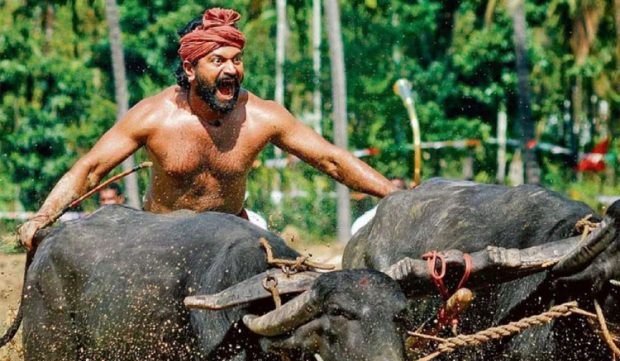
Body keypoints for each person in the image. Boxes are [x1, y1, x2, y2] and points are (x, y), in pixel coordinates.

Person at [18, 7, 398, 250]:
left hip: (233, 237)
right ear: (189, 69)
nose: (231, 70)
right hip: (160, 241)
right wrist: (41, 218)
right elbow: (90, 168)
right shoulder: (154, 116)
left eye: (236, 59)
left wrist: (395, 195)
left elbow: (331, 160)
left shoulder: (262, 116)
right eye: (218, 60)